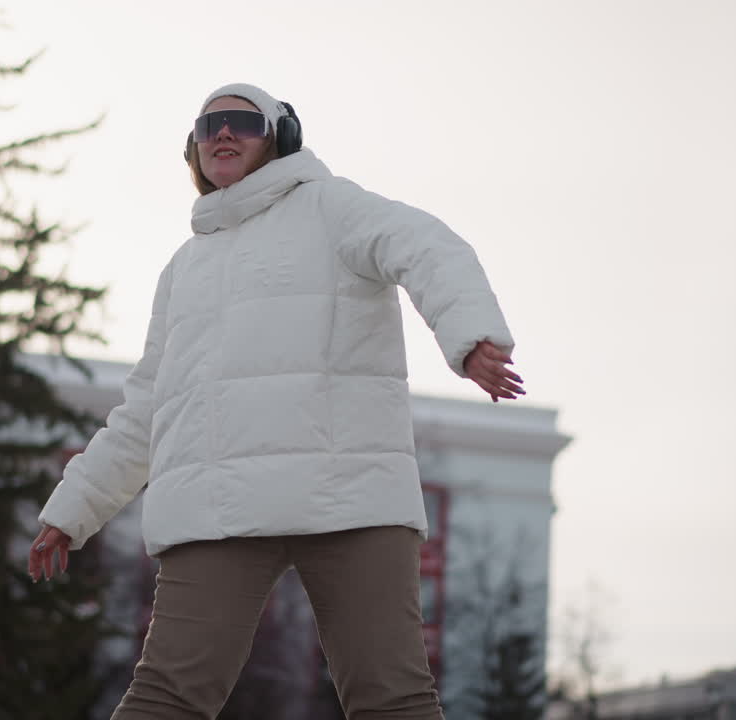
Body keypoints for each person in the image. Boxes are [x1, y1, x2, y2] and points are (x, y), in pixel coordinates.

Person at [29, 83, 523, 719]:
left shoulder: (332, 208)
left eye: (241, 121)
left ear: (281, 137)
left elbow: (426, 246)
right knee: (165, 696)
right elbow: (148, 406)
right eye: (209, 127)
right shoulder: (186, 268)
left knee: (391, 698)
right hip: (219, 503)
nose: (224, 134)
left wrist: (471, 336)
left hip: (348, 492)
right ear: (194, 151)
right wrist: (74, 507)